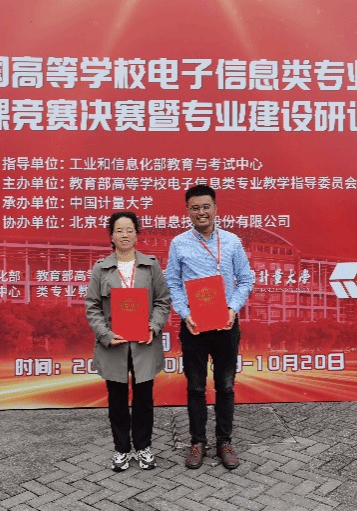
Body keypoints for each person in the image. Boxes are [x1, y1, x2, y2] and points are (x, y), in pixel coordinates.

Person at [165, 185, 253, 470]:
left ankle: (224, 442)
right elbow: (172, 283)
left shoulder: (232, 242)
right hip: (194, 327)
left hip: (226, 324)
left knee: (225, 386)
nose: (201, 212)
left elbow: (246, 279)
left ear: (215, 208)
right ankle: (198, 442)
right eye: (195, 208)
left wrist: (232, 308)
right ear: (187, 211)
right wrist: (185, 313)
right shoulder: (179, 243)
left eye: (206, 206)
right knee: (195, 387)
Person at [85, 212, 171, 472]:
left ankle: (143, 447)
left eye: (130, 230)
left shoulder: (150, 266)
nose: (125, 235)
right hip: (114, 346)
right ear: (111, 236)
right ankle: (121, 449)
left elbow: (162, 301)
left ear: (137, 234)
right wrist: (105, 334)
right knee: (118, 401)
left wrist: (154, 326)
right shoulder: (101, 268)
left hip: (144, 345)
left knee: (144, 400)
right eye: (119, 230)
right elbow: (92, 306)